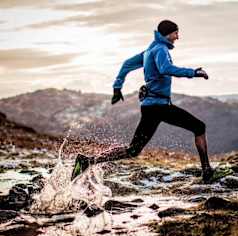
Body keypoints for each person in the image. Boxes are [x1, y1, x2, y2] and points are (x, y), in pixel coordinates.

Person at [71, 20, 216, 183]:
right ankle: (207, 171)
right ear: (168, 34)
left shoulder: (150, 50)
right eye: (176, 33)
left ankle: (87, 161)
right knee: (199, 127)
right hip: (159, 107)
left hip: (151, 107)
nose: (178, 37)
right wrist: (194, 72)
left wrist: (117, 87)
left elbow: (127, 64)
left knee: (133, 150)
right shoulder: (160, 49)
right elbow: (165, 69)